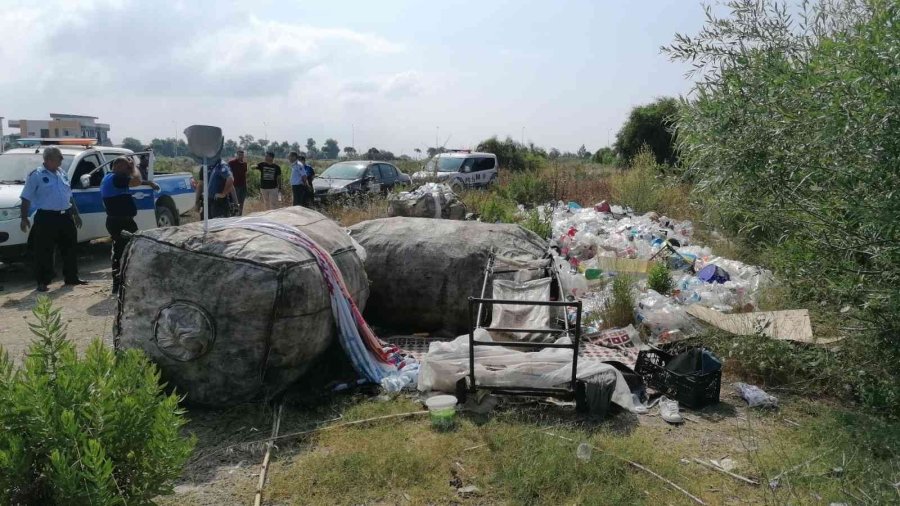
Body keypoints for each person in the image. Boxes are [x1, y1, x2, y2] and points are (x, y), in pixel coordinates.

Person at [19, 147, 86, 292]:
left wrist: (75, 213)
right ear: (48, 159)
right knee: (44, 251)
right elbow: (26, 197)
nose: (61, 161)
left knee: (70, 247)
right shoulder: (36, 175)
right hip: (46, 217)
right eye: (59, 158)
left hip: (65, 216)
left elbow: (69, 195)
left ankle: (71, 277)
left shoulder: (62, 173)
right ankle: (43, 281)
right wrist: (24, 218)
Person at [101, 156, 159, 295]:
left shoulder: (114, 178)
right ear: (119, 167)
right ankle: (119, 284)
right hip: (120, 222)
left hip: (122, 221)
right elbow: (136, 180)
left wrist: (148, 182)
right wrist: (134, 167)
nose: (129, 170)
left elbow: (136, 182)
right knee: (122, 252)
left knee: (127, 250)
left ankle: (123, 282)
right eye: (127, 168)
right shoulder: (116, 178)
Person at [228, 149, 248, 215]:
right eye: (239, 155)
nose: (241, 156)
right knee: (235, 202)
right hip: (234, 186)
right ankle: (234, 215)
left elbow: (245, 174)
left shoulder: (245, 164)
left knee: (241, 202)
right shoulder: (231, 163)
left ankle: (240, 215)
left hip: (243, 186)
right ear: (237, 155)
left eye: (242, 155)